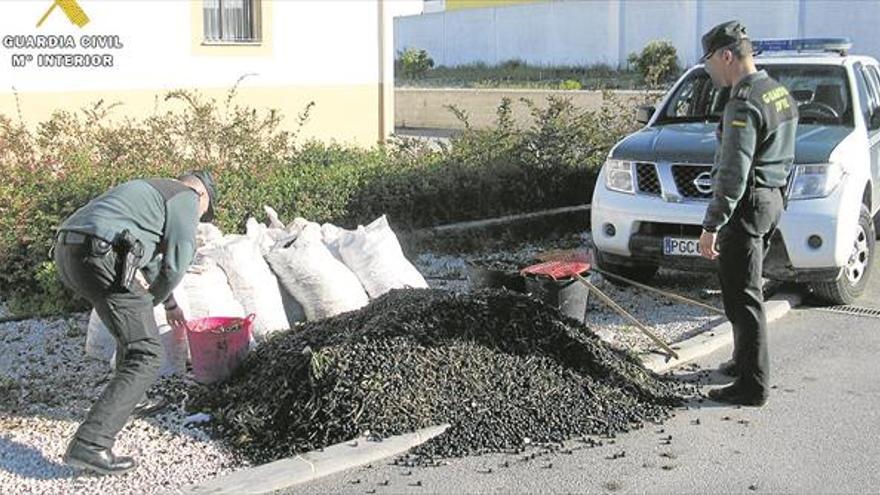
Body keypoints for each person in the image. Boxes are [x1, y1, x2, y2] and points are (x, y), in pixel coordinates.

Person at [53, 171, 217, 474]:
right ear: (202, 196)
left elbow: (152, 263)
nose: (199, 217)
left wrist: (166, 303)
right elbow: (176, 263)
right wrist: (151, 300)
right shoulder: (186, 198)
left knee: (130, 327)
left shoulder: (151, 193)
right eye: (204, 214)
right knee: (148, 353)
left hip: (69, 251)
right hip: (101, 254)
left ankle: (135, 398)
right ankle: (91, 444)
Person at [697, 21, 797, 406]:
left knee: (743, 296)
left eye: (709, 60)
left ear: (726, 55)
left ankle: (752, 385)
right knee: (740, 286)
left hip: (746, 206)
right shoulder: (777, 92)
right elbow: (787, 154)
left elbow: (733, 171)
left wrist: (712, 224)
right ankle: (742, 361)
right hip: (770, 200)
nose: (707, 69)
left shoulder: (743, 102)